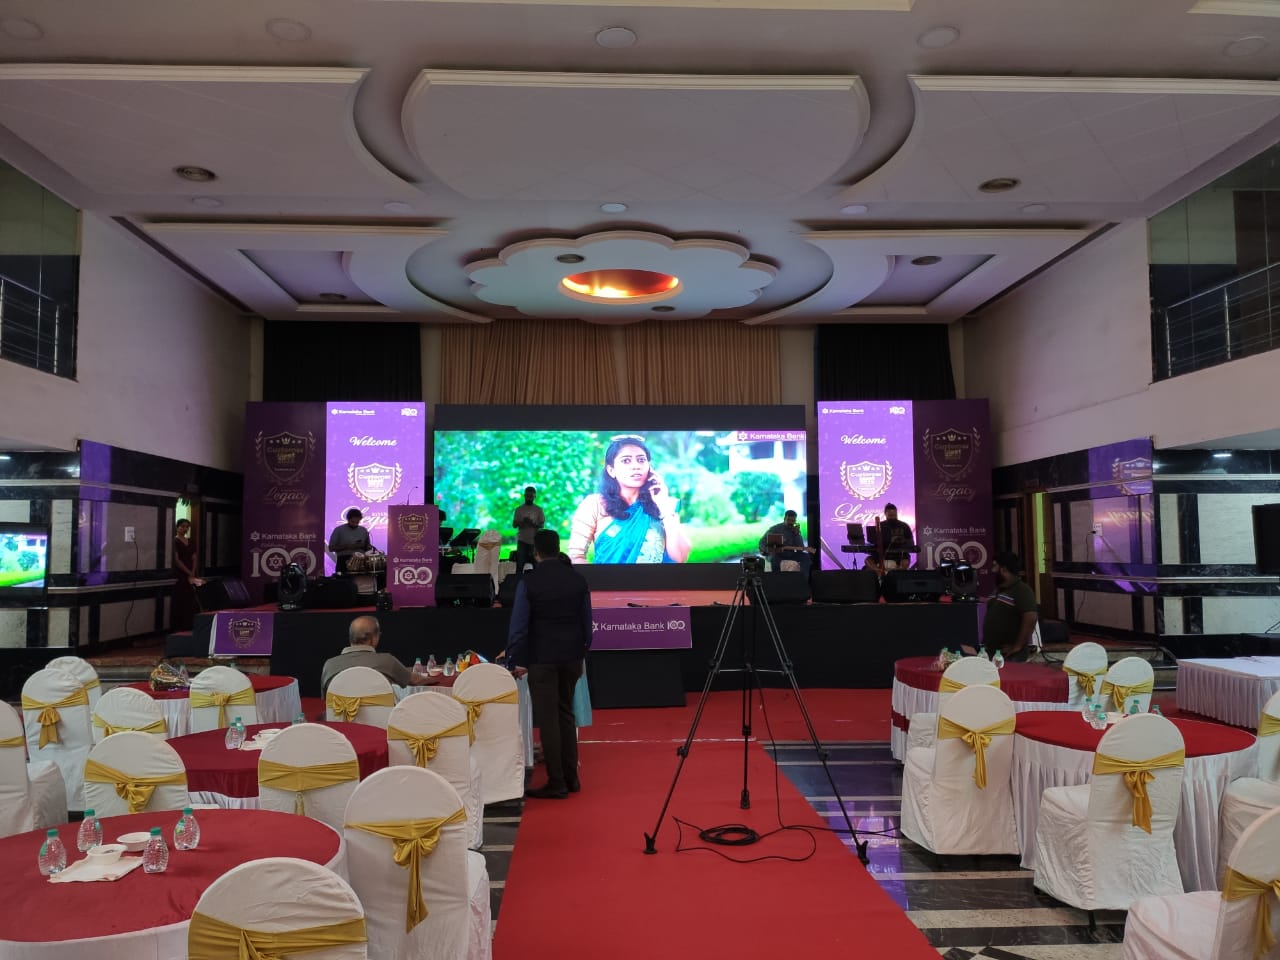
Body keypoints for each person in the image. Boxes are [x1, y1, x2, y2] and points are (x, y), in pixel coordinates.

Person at [504, 529, 592, 799]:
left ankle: (557, 782)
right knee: (566, 714)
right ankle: (572, 778)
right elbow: (587, 623)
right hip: (573, 657)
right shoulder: (577, 579)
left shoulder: (530, 582)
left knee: (549, 718)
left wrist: (514, 659)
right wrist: (581, 650)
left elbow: (519, 627)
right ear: (557, 548)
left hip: (542, 659)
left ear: (536, 552)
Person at [568, 435, 691, 564]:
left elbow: (680, 558)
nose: (636, 466)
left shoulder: (665, 505)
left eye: (641, 460)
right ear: (611, 470)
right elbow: (576, 557)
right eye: (626, 461)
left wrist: (665, 508)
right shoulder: (595, 504)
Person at [320, 615, 437, 696]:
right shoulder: (387, 661)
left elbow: (326, 698)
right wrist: (436, 678)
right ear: (373, 638)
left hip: (340, 720)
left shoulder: (329, 665)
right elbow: (415, 680)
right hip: (381, 722)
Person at [982, 551, 1038, 662]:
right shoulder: (999, 589)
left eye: (995, 566)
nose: (992, 570)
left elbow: (1030, 618)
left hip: (1010, 655)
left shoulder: (1022, 589)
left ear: (1003, 569)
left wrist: (1017, 646)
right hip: (993, 652)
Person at [758, 509, 812, 577]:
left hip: (790, 554)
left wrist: (797, 534)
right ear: (784, 519)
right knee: (774, 559)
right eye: (788, 520)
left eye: (793, 521)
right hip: (776, 554)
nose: (790, 523)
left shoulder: (795, 530)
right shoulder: (775, 529)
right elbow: (761, 542)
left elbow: (800, 548)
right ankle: (777, 579)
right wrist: (768, 550)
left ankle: (803, 579)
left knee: (806, 557)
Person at [171, 518, 203, 630]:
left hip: (191, 574)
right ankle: (181, 625)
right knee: (182, 599)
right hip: (181, 574)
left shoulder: (191, 541)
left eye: (187, 527)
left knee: (192, 599)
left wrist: (193, 572)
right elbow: (176, 560)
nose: (185, 529)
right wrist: (188, 572)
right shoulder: (175, 541)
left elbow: (194, 557)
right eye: (183, 526)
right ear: (177, 527)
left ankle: (192, 624)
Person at [512, 486, 545, 575]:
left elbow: (542, 525)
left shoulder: (538, 509)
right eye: (527, 495)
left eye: (531, 496)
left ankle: (537, 582)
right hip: (522, 541)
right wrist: (523, 523)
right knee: (520, 565)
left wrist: (533, 524)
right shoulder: (519, 509)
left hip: (535, 541)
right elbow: (514, 525)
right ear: (524, 496)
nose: (529, 497)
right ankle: (518, 582)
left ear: (534, 496)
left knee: (536, 565)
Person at [328, 508, 371, 574]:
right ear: (348, 519)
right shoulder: (339, 530)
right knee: (343, 580)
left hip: (360, 563)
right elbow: (331, 548)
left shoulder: (363, 530)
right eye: (352, 522)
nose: (355, 524)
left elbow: (368, 548)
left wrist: (364, 546)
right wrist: (349, 546)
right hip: (343, 561)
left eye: (357, 522)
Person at [876, 503, 915, 569]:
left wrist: (903, 542)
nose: (893, 517)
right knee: (868, 560)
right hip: (885, 555)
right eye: (890, 515)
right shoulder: (880, 526)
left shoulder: (904, 526)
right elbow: (875, 542)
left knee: (905, 563)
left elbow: (911, 543)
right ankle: (879, 572)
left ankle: (898, 574)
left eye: (894, 515)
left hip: (901, 554)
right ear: (885, 514)